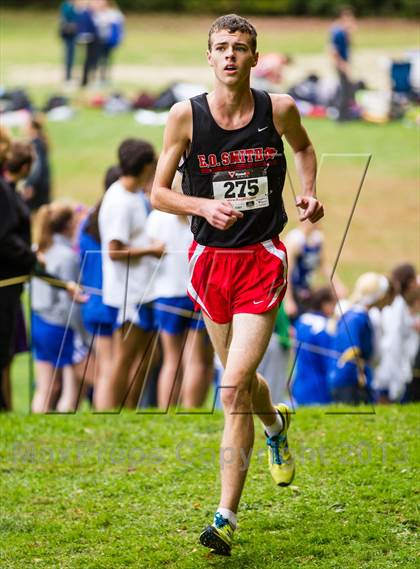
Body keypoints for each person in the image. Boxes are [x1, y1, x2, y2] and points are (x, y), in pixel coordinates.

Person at [151, 14, 323, 556]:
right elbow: (159, 192)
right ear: (209, 57)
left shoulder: (280, 108)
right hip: (208, 263)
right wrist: (200, 203)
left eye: (240, 47)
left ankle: (224, 518)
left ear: (254, 57)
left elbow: (304, 148)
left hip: (261, 260)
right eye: (221, 47)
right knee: (240, 383)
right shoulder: (185, 117)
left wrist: (309, 193)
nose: (230, 55)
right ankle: (276, 426)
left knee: (231, 388)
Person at [98, 139, 164, 411]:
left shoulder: (134, 195)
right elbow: (114, 250)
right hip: (128, 292)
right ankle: (112, 413)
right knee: (124, 357)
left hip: (142, 289)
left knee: (146, 356)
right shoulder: (119, 201)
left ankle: (130, 409)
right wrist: (151, 250)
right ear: (146, 165)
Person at [146, 203, 211, 409]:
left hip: (166, 294)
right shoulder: (201, 213)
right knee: (195, 359)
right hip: (195, 293)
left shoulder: (157, 217)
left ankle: (167, 409)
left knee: (171, 359)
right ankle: (190, 409)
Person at [31, 202, 83, 413]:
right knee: (68, 386)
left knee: (45, 386)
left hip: (38, 321)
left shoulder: (39, 251)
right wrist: (81, 331)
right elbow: (68, 301)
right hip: (60, 324)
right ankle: (65, 420)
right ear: (68, 225)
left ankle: (38, 421)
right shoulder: (67, 256)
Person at [78, 165, 120, 409]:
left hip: (92, 300)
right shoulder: (112, 217)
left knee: (106, 363)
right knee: (110, 365)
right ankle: (106, 411)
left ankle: (105, 410)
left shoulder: (88, 220)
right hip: (109, 299)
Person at [0, 141, 36, 411]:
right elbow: (6, 237)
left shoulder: (10, 191)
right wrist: (31, 257)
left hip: (12, 282)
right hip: (5, 280)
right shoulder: (4, 192)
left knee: (7, 350)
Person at [329, 272, 389, 405]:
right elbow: (351, 349)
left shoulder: (361, 315)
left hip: (353, 380)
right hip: (349, 382)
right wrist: (361, 376)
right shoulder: (355, 317)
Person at [374, 263, 419, 402]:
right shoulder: (396, 305)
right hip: (391, 370)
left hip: (398, 368)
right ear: (410, 282)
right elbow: (393, 342)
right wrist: (396, 382)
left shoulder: (402, 305)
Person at [291, 287, 335, 406]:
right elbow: (328, 359)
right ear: (325, 304)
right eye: (333, 304)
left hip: (300, 383)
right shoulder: (325, 326)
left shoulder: (301, 320)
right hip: (319, 387)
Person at [329, 5, 356, 121]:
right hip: (340, 63)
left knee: (346, 88)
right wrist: (341, 64)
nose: (350, 20)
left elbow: (350, 44)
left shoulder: (343, 31)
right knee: (345, 90)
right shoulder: (337, 32)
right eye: (348, 18)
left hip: (344, 62)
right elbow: (332, 49)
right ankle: (341, 117)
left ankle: (344, 114)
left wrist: (349, 32)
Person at [22, 116, 52, 212]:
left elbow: (37, 167)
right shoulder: (41, 142)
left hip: (37, 187)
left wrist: (30, 184)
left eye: (26, 126)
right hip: (43, 184)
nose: (24, 128)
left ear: (32, 128)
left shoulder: (35, 144)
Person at [92, 0, 124, 84]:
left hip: (108, 40)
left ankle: (104, 78)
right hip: (98, 40)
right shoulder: (95, 13)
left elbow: (119, 28)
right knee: (97, 59)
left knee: (106, 59)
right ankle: (96, 77)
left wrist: (119, 39)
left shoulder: (114, 14)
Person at [59, 0, 79, 83]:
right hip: (69, 33)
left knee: (73, 55)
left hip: (74, 33)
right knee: (69, 55)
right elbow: (67, 17)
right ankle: (68, 76)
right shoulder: (67, 5)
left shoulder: (74, 5)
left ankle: (70, 75)